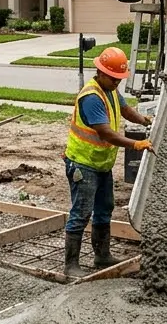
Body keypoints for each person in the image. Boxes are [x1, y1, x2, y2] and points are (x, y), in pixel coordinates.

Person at [63, 46, 155, 278]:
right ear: (100, 72)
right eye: (113, 78)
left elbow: (124, 109)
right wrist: (135, 144)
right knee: (81, 212)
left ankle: (101, 255)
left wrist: (145, 120)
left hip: (101, 164)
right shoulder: (92, 97)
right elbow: (106, 133)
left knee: (104, 209)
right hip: (83, 165)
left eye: (119, 79)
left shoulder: (110, 89)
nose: (117, 83)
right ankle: (70, 264)